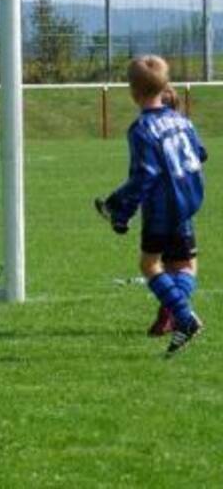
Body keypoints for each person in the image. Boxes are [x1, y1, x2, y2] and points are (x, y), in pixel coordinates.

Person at [95, 55, 207, 356]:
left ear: (132, 91)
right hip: (188, 202)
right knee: (185, 265)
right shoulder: (182, 119)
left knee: (149, 264)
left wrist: (120, 211)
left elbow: (144, 175)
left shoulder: (142, 129)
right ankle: (173, 313)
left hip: (161, 209)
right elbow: (201, 153)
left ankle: (184, 317)